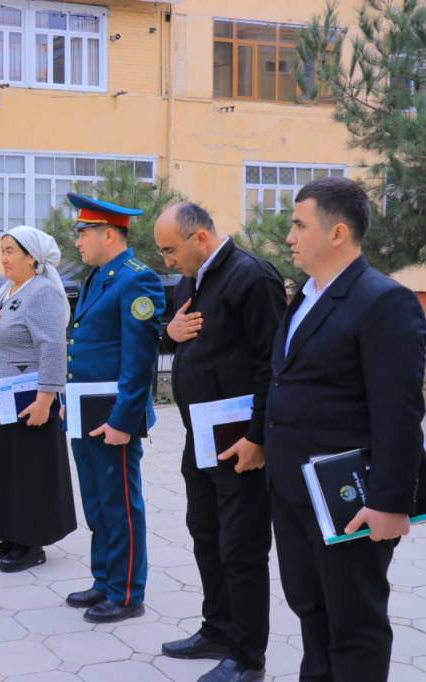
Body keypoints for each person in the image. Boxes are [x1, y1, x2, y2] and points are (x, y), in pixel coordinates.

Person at [264, 176, 426, 682]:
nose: (289, 236)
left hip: (349, 498)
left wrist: (390, 503)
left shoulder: (383, 301)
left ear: (337, 233)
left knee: (354, 624)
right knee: (311, 610)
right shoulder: (306, 295)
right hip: (294, 490)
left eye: (299, 225)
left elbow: (399, 411)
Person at [153, 203, 286, 682]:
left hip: (240, 441)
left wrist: (257, 436)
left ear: (201, 238)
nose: (167, 260)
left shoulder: (252, 277)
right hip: (202, 435)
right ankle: (218, 628)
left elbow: (273, 363)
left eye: (170, 249)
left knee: (241, 546)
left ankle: (248, 657)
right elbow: (180, 337)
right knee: (205, 533)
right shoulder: (192, 279)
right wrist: (168, 335)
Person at [64, 194, 164, 623]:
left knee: (120, 503)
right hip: (86, 410)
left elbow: (139, 360)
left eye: (83, 233)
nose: (77, 241)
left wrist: (124, 420)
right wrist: (69, 402)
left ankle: (126, 593)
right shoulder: (97, 277)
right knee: (97, 501)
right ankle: (104, 579)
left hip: (113, 415)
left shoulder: (136, 280)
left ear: (108, 234)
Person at [0, 225, 76, 573]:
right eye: (2, 250)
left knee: (28, 469)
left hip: (30, 398)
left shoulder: (42, 292)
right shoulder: (9, 289)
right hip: (2, 396)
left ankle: (31, 543)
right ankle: (10, 533)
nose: (3, 258)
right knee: (5, 468)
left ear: (32, 258)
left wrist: (46, 399)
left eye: (10, 251)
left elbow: (53, 347)